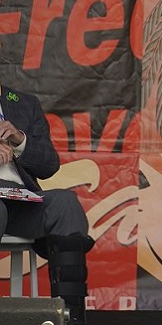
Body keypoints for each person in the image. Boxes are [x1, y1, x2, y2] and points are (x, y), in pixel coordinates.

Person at [0, 85, 94, 324]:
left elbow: (49, 165)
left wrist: (20, 140)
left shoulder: (24, 102)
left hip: (22, 200)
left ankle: (70, 315)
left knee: (65, 204)